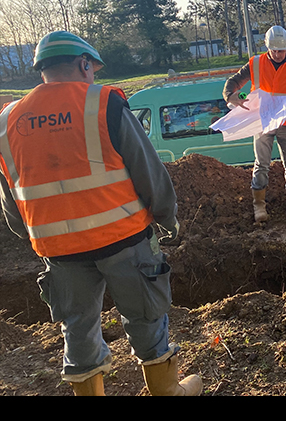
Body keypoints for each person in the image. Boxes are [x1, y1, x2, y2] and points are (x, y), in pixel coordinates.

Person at [0, 31, 202, 396]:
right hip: (123, 238)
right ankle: (168, 392)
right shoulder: (102, 103)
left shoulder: (7, 121)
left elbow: (11, 206)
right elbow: (148, 170)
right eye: (93, 69)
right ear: (83, 64)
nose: (93, 76)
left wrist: (41, 234)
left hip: (58, 250)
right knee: (146, 316)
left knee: (77, 328)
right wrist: (166, 216)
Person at [223, 25, 286, 220]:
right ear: (267, 48)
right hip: (262, 122)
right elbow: (233, 82)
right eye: (275, 50)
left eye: (282, 50)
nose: (279, 54)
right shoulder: (255, 63)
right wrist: (231, 96)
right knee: (261, 164)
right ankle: (259, 206)